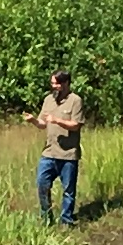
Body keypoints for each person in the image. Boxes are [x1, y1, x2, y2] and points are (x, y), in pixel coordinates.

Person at [30, 71, 88, 227]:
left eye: (56, 83)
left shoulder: (75, 101)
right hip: (49, 152)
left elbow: (76, 125)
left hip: (68, 154)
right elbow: (43, 123)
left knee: (68, 190)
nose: (53, 86)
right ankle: (46, 219)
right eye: (52, 83)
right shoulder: (48, 100)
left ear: (66, 83)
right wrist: (33, 121)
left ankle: (66, 221)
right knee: (42, 184)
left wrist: (56, 120)